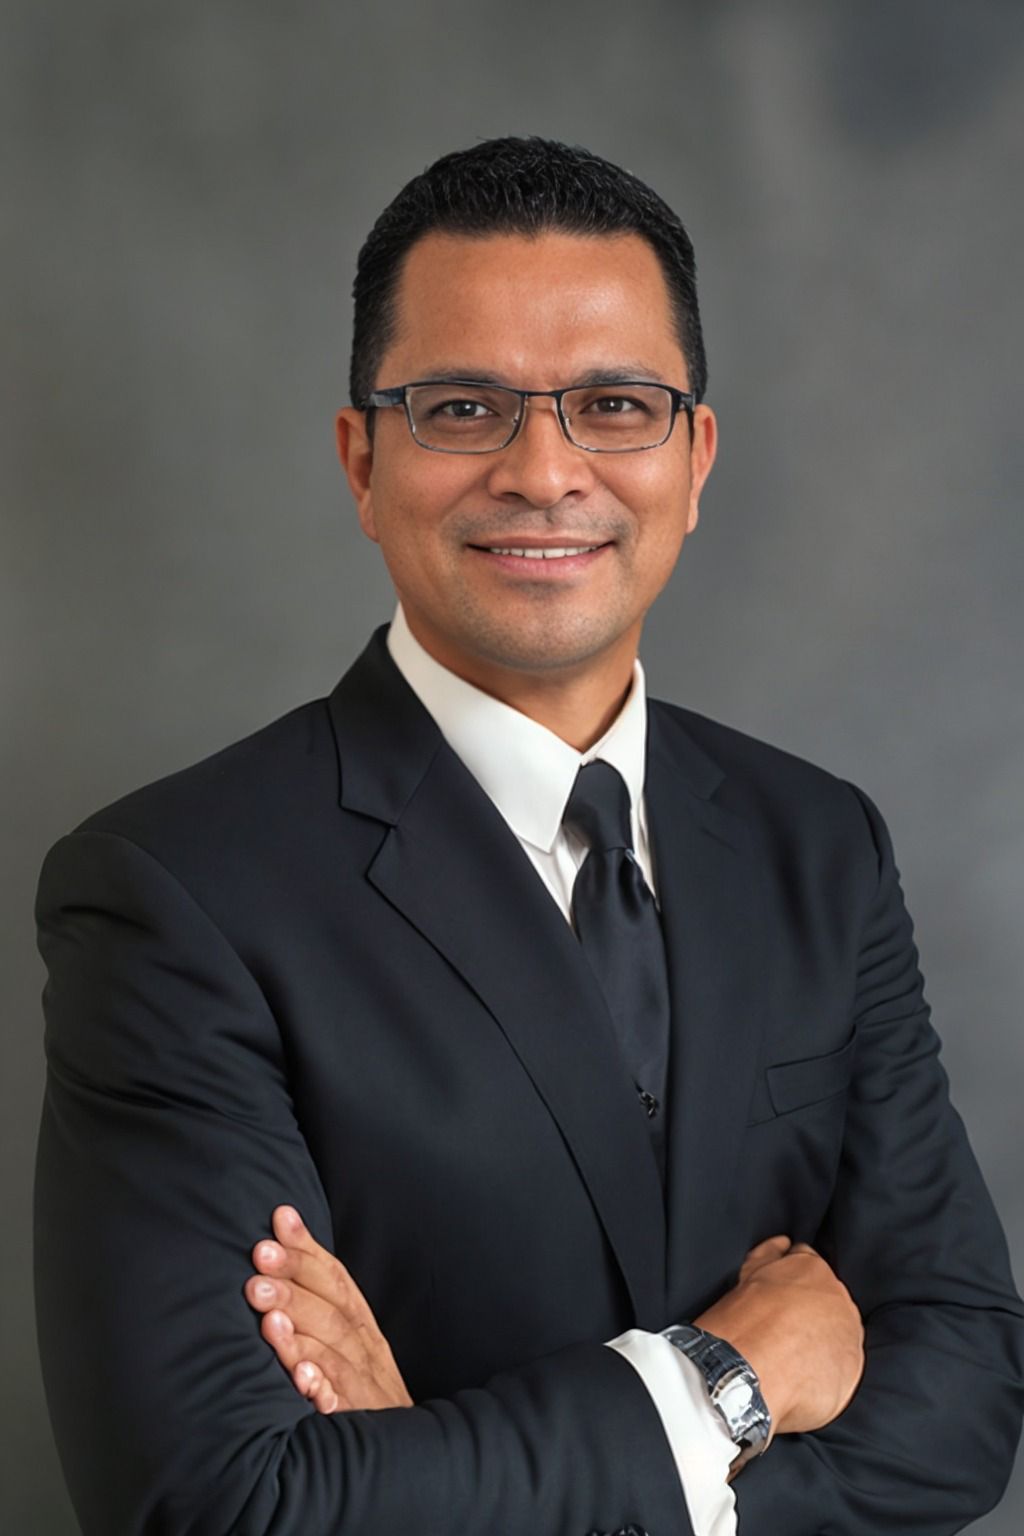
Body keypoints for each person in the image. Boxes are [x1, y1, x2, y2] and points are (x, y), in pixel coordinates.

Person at [34, 137, 1023, 1536]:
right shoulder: (173, 896)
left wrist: (432, 1471)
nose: (546, 471)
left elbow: (967, 1393)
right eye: (463, 408)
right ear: (361, 459)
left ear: (695, 458)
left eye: (614, 405)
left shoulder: (820, 846)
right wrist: (726, 1384)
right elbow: (228, 1505)